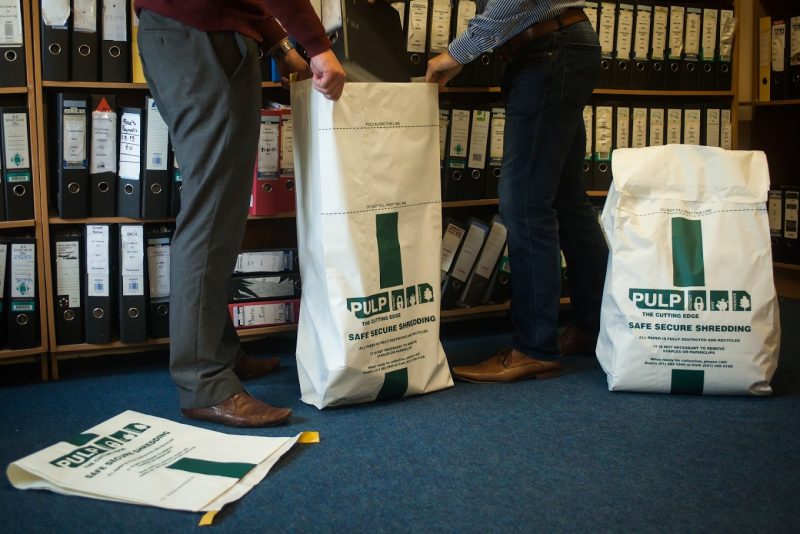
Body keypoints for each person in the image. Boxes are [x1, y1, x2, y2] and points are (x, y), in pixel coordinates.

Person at [134, 1, 346, 426]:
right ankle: (203, 382)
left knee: (221, 211)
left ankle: (220, 354)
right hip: (200, 39)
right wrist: (317, 45)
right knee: (211, 213)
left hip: (193, 34)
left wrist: (278, 43)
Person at [426, 1, 608, 382]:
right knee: (568, 200)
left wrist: (458, 52)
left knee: (524, 204)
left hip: (549, 49)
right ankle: (596, 327)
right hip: (560, 45)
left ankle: (533, 348)